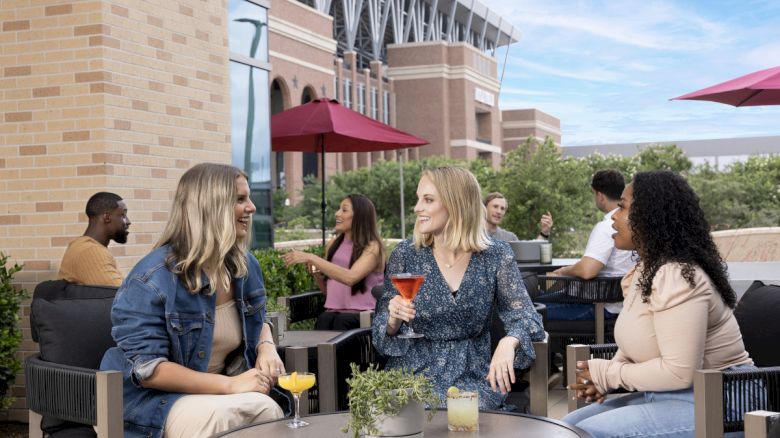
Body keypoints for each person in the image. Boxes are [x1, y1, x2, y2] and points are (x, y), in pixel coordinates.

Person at [563, 170, 754, 438]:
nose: (614, 216)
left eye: (622, 207)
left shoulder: (678, 276)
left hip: (722, 400)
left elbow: (679, 372)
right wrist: (603, 377)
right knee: (566, 426)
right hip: (668, 394)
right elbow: (637, 343)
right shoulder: (646, 271)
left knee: (582, 433)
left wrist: (610, 374)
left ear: (650, 217)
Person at [100, 163, 285, 438]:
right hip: (153, 401)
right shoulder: (151, 279)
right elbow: (149, 370)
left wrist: (266, 346)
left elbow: (256, 318)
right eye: (240, 199)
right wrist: (230, 386)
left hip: (220, 393)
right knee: (232, 417)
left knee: (264, 411)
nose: (252, 207)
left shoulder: (243, 266)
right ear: (210, 207)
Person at [372, 166, 545, 410]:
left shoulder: (496, 255)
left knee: (465, 413)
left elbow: (528, 318)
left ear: (456, 204)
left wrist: (510, 341)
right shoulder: (406, 254)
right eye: (418, 199)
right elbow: (381, 328)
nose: (417, 208)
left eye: (428, 200)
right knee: (411, 410)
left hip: (473, 375)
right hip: (412, 374)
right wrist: (392, 320)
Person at [283, 194, 384, 330]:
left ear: (359, 216)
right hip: (333, 313)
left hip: (364, 316)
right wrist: (317, 274)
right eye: (338, 209)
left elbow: (351, 278)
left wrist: (312, 257)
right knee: (324, 320)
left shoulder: (372, 247)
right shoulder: (333, 245)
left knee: (341, 322)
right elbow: (329, 292)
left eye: (344, 210)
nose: (337, 213)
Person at [58, 192, 131, 287]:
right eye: (123, 215)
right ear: (107, 217)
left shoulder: (83, 246)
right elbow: (124, 294)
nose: (128, 222)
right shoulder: (90, 251)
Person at [484, 192, 553, 242]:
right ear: (484, 208)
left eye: (502, 209)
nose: (499, 211)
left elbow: (529, 252)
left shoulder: (510, 238)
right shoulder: (477, 235)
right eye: (495, 206)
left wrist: (544, 232)